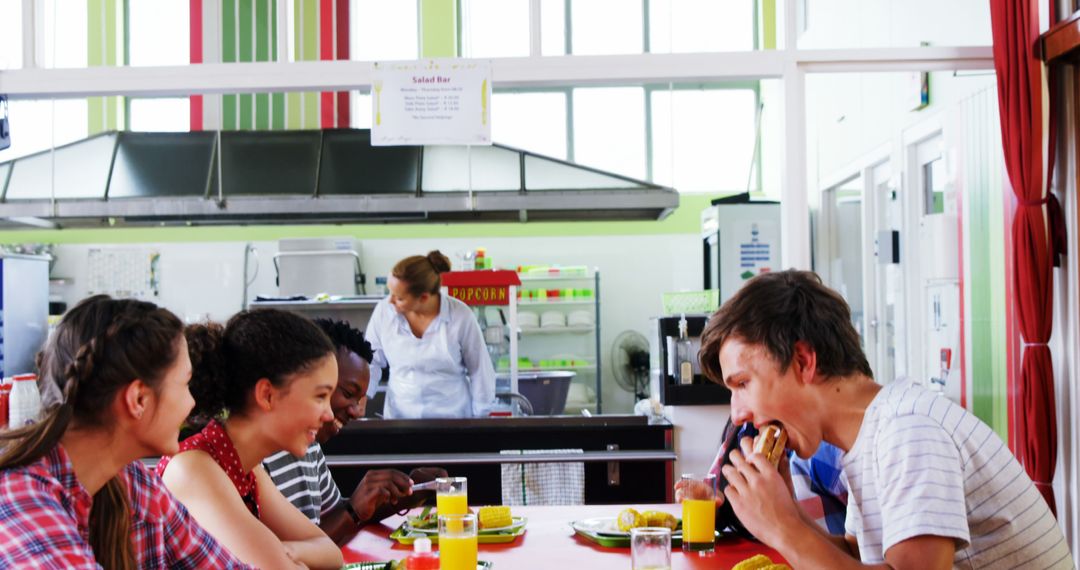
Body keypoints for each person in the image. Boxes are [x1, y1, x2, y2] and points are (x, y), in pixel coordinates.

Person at [700, 270, 1072, 569]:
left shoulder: (907, 430)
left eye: (743, 384)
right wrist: (788, 513)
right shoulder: (868, 439)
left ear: (802, 361)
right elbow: (856, 558)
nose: (738, 413)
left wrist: (785, 530)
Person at [0, 295, 249, 568]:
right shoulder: (20, 505)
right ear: (138, 400)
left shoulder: (136, 485)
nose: (192, 403)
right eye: (185, 384)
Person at [157, 309, 343, 569]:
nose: (329, 414)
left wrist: (283, 551)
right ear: (267, 395)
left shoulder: (244, 467)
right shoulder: (193, 467)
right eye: (320, 396)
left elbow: (332, 554)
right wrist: (284, 557)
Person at [263, 318, 446, 545]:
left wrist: (407, 496)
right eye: (347, 393)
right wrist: (353, 510)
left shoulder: (309, 445)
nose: (357, 412)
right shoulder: (254, 460)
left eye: (359, 399)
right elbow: (283, 553)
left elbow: (331, 519)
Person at [365, 250, 496, 419]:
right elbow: (370, 361)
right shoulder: (384, 311)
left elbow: (480, 371)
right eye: (390, 292)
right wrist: (360, 398)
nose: (390, 301)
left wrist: (481, 416)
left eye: (399, 297)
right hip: (399, 420)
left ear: (424, 298)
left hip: (453, 422)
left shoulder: (461, 316)